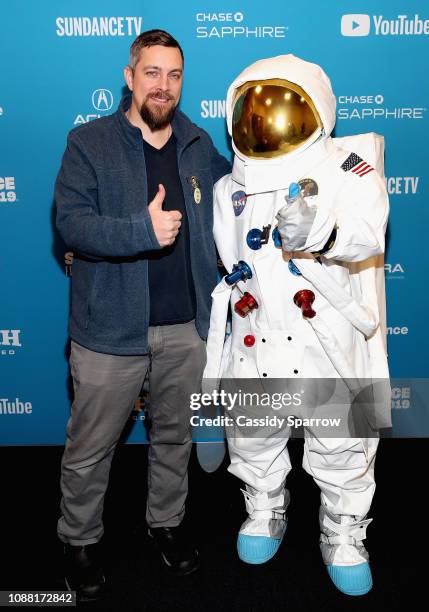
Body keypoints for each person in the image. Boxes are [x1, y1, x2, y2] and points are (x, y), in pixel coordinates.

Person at [203, 54, 390, 596]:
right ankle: (264, 505)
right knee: (254, 436)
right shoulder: (226, 190)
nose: (267, 125)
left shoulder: (351, 170)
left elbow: (367, 235)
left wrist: (322, 231)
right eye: (255, 113)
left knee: (341, 443)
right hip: (258, 332)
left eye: (282, 109)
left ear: (316, 110)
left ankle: (343, 530)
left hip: (323, 335)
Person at [55, 29, 231, 600]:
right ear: (129, 77)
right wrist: (141, 231)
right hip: (109, 333)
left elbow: (242, 194)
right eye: (151, 73)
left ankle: (167, 525)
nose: (164, 86)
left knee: (174, 438)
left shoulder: (199, 145)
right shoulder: (88, 143)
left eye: (174, 75)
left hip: (185, 330)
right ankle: (78, 540)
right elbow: (72, 225)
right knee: (90, 448)